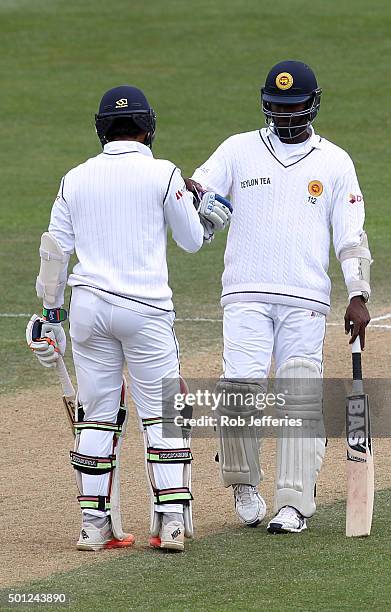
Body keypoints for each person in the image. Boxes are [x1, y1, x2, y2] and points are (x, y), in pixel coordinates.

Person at [26, 85, 231, 551]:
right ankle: (172, 522)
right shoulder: (163, 173)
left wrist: (49, 316)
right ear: (148, 126)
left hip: (89, 309)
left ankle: (93, 527)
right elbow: (192, 241)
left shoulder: (73, 178)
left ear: (102, 128)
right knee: (163, 413)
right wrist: (211, 220)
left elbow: (54, 254)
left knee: (98, 415)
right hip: (145, 310)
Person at [188, 60, 371, 534]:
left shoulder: (335, 161)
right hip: (244, 290)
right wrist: (192, 196)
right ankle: (242, 484)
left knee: (298, 393)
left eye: (294, 107)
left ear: (312, 105)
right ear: (265, 104)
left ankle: (294, 502)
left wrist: (358, 293)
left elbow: (351, 235)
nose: (286, 115)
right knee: (239, 388)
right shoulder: (238, 149)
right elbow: (198, 189)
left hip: (305, 297)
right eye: (277, 106)